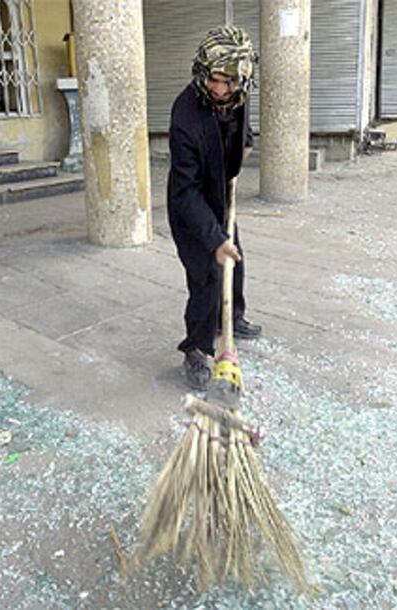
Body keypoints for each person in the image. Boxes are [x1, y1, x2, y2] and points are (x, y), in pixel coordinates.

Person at [167, 25, 262, 391]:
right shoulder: (185, 115)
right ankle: (195, 348)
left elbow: (242, 127)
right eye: (216, 80)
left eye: (231, 82)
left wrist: (245, 146)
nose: (222, 90)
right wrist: (212, 239)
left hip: (221, 188)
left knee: (234, 262)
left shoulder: (238, 93)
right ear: (203, 72)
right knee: (207, 274)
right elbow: (185, 190)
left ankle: (232, 318)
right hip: (191, 202)